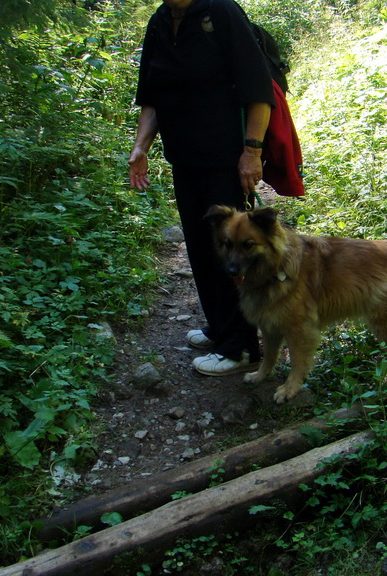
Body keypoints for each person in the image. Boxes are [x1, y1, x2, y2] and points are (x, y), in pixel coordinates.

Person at [128, 0, 274, 376]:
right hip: (185, 160)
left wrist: (251, 152)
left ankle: (242, 348)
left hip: (227, 160)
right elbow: (152, 97)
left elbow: (258, 89)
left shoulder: (222, 13)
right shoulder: (160, 22)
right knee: (201, 245)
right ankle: (222, 328)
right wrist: (141, 146)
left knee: (232, 253)